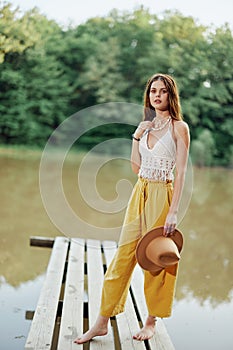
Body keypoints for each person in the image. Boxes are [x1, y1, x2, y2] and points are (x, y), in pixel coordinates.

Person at [74, 73, 190, 344]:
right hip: (140, 191)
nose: (157, 95)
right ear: (148, 96)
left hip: (163, 193)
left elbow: (182, 173)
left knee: (156, 259)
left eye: (162, 91)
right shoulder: (146, 128)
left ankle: (151, 320)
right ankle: (102, 321)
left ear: (171, 96)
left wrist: (173, 211)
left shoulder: (179, 128)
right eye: (152, 91)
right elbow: (136, 167)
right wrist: (137, 136)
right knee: (123, 256)